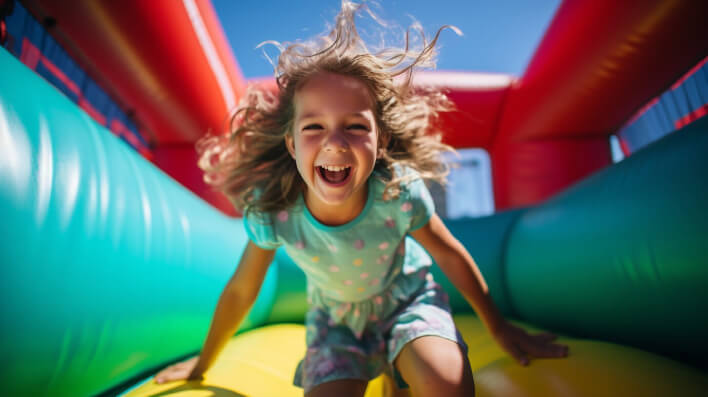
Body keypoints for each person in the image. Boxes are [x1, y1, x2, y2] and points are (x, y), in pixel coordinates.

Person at [154, 2, 568, 396]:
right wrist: (202, 364)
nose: (334, 142)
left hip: (406, 300)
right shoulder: (275, 210)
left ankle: (402, 367)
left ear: (380, 140)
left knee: (445, 382)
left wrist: (499, 327)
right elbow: (242, 291)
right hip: (336, 323)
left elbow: (450, 255)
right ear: (292, 144)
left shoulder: (397, 191)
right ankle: (393, 372)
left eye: (354, 126)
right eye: (314, 126)